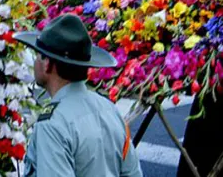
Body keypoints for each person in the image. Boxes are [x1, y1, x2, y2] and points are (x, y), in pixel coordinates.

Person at [17, 14, 142, 177]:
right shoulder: (110, 109)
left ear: (47, 63)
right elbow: (132, 174)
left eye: (38, 55)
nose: (35, 62)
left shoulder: (53, 123)